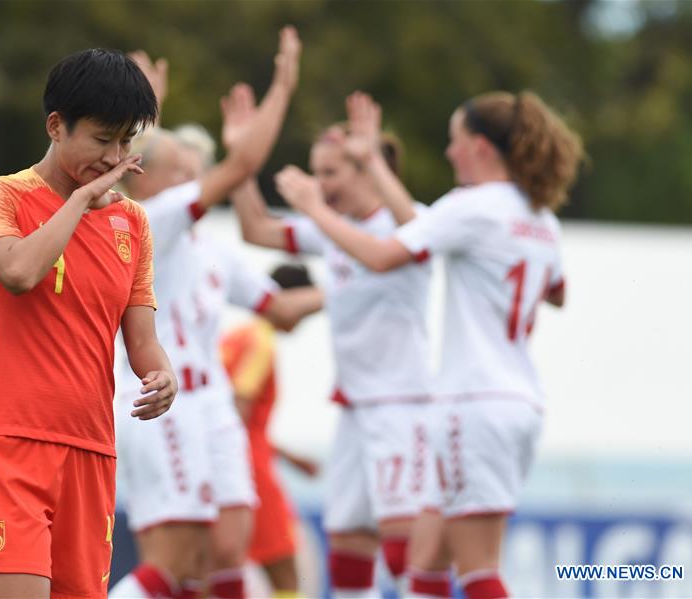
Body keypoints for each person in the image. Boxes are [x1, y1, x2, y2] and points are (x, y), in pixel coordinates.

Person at [276, 90, 583, 599]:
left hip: (475, 401)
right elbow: (557, 293)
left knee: (478, 570)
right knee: (424, 564)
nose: (449, 153)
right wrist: (373, 162)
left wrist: (315, 209)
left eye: (455, 141)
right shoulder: (540, 218)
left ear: (481, 147)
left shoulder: (472, 206)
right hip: (514, 399)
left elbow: (382, 254)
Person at [0, 48, 178, 599]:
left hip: (92, 453)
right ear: (56, 126)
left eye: (126, 142)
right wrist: (81, 202)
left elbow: (141, 341)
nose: (115, 157)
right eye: (103, 140)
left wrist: (163, 375)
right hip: (9, 445)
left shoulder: (133, 224)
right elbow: (19, 272)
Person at [109, 27, 302, 599]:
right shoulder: (157, 220)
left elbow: (282, 309)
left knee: (224, 552)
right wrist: (283, 88)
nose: (195, 181)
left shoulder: (210, 251)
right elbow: (238, 167)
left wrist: (363, 273)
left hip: (211, 403)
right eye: (184, 169)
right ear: (156, 175)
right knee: (176, 563)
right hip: (162, 401)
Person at [231, 91, 435, 599]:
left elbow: (418, 237)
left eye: (332, 173)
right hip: (352, 410)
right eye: (316, 173)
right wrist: (240, 161)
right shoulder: (333, 229)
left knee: (406, 554)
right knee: (347, 548)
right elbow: (256, 229)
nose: (320, 185)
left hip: (401, 405)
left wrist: (317, 210)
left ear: (367, 169)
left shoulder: (403, 220)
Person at [219, 263, 322, 599]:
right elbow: (239, 411)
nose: (302, 320)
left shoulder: (234, 336)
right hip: (250, 474)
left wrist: (291, 459)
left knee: (215, 568)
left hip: (227, 464)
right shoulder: (261, 344)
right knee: (286, 574)